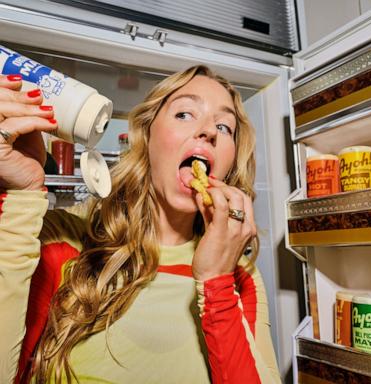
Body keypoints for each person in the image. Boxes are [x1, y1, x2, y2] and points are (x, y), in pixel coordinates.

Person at [0, 66, 281, 383]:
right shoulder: (67, 238)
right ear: (146, 138)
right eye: (185, 114)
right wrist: (22, 195)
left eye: (224, 126)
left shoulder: (239, 275)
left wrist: (217, 282)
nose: (208, 131)